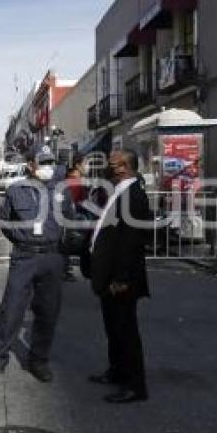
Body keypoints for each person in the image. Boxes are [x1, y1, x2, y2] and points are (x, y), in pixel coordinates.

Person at [0, 146, 75, 384]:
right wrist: (25, 242)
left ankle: (38, 360)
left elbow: (69, 220)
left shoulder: (62, 190)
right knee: (11, 310)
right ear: (31, 165)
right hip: (25, 257)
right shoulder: (15, 190)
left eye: (50, 162)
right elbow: (6, 223)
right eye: (43, 162)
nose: (48, 167)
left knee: (47, 311)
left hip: (52, 258)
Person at [88, 149, 152, 403]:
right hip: (109, 275)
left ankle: (135, 386)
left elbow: (132, 241)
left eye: (111, 164)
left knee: (126, 332)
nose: (108, 167)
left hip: (121, 279)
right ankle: (116, 371)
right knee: (113, 329)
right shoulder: (120, 191)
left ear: (123, 167)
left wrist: (121, 278)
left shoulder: (134, 195)